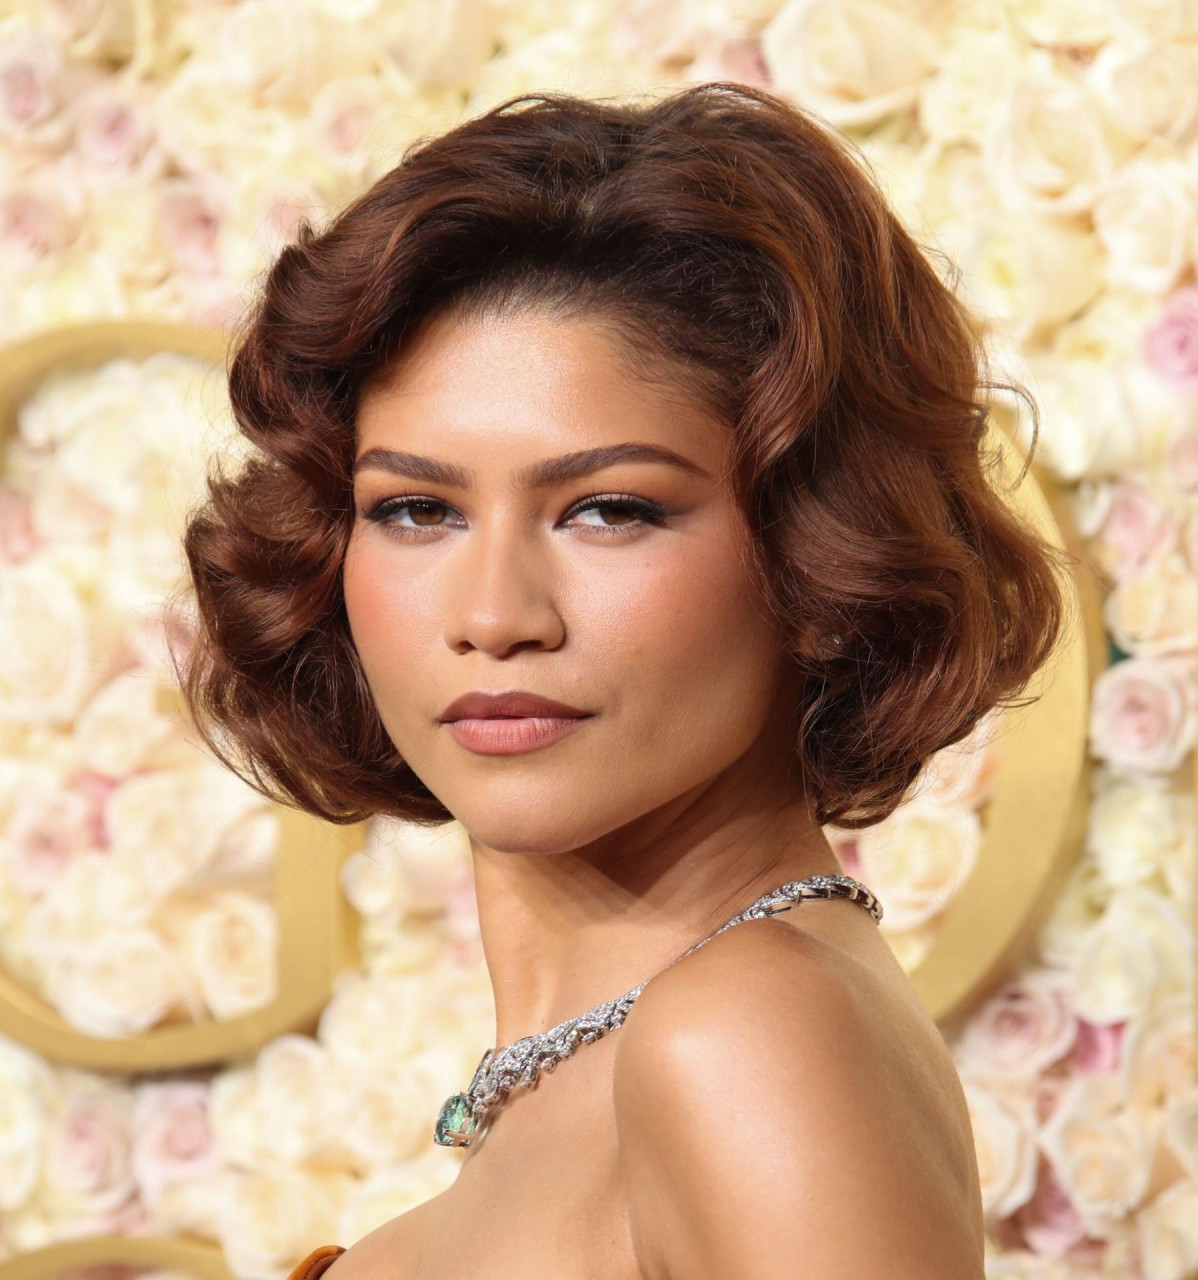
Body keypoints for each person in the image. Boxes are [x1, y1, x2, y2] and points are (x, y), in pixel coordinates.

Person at [179, 80, 1071, 1279]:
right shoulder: (611, 1073)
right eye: (415, 509)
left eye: (610, 509)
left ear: (818, 548)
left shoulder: (749, 1035)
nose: (493, 615)